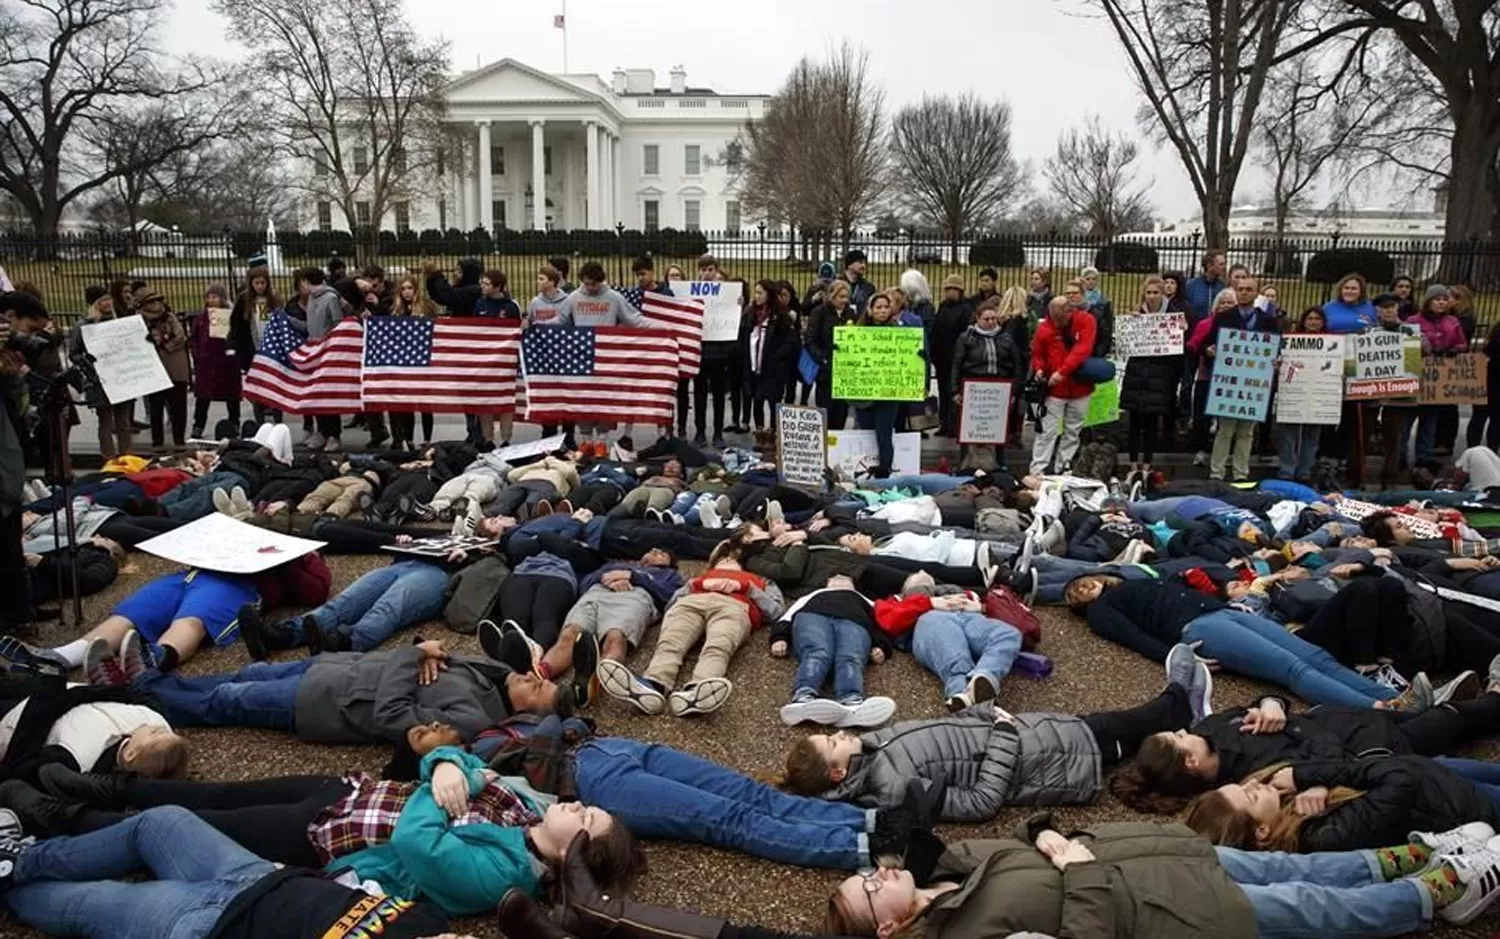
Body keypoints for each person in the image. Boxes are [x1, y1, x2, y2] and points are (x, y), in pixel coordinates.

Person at [826, 816, 1500, 937]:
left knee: (1296, 867)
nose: (879, 875)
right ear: (889, 927)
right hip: (1167, 911)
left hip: (1157, 854)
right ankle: (1441, 890)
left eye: (870, 873)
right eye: (871, 889)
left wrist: (1047, 832)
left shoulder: (950, 860)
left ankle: (1412, 857)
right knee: (1315, 908)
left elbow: (1029, 837)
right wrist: (1082, 872)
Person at [786, 655, 1211, 819]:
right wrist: (1004, 732)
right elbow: (980, 803)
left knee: (1131, 730)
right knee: (1140, 721)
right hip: (1051, 759)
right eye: (834, 742)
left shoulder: (875, 746)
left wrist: (985, 712)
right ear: (840, 772)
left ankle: (1183, 718)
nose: (841, 732)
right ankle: (1183, 703)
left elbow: (950, 734)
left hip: (1039, 736)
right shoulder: (894, 788)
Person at [0, 807, 456, 939]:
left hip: (210, 924)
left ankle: (7, 889)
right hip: (254, 875)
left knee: (87, 903)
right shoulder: (429, 919)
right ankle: (18, 861)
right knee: (160, 821)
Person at [90, 633, 564, 744]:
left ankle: (132, 692)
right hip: (334, 668)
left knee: (226, 702)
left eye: (539, 691)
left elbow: (392, 715)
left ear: (526, 716)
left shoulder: (473, 721)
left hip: (324, 704)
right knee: (241, 675)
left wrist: (413, 656)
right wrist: (430, 650)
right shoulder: (486, 678)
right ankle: (154, 683)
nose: (532, 677)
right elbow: (439, 651)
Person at [1112, 680, 1500, 811]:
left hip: (1346, 718)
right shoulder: (1251, 779)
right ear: (1191, 762)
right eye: (1179, 738)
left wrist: (1270, 705)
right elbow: (1330, 759)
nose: (1183, 730)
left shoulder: (1211, 727)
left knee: (1451, 723)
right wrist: (1311, 776)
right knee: (1450, 723)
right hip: (1373, 748)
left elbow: (1258, 700)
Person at [1067, 573, 1404, 708]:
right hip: (1198, 628)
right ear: (1081, 605)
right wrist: (1180, 656)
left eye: (1084, 582)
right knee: (1291, 667)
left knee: (1315, 655)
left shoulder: (1128, 581)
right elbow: (1133, 638)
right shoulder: (1102, 610)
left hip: (1223, 612)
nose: (1085, 588)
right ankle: (1378, 709)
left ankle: (1394, 698)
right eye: (1077, 593)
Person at [598, 542, 785, 717]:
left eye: (733, 559)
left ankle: (699, 690)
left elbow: (776, 610)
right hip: (691, 602)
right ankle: (653, 685)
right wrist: (695, 585)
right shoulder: (702, 577)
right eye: (722, 558)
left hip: (734, 605)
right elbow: (671, 602)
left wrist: (746, 588)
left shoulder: (760, 580)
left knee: (719, 645)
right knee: (670, 642)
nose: (727, 560)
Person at [1184, 754, 1500, 857]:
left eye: (1243, 785)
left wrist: (1314, 781)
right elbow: (1401, 784)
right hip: (1460, 804)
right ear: (1263, 832)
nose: (1253, 783)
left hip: (1435, 774)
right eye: (1250, 795)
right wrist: (1310, 776)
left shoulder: (1291, 803)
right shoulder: (1324, 834)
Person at [771, 575, 897, 728]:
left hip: (855, 621)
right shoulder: (812, 595)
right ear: (827, 584)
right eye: (835, 577)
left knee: (850, 657)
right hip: (813, 616)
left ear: (853, 586)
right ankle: (803, 697)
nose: (839, 578)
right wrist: (779, 637)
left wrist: (882, 646)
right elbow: (787, 617)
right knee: (817, 652)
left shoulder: (864, 599)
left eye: (845, 578)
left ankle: (851, 700)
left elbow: (881, 623)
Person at [1192, 279, 1281, 481]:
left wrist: (1276, 360)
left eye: (1249, 290)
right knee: (1225, 429)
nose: (1244, 293)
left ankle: (1241, 473)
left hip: (1254, 383)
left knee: (1246, 431)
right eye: (1240, 290)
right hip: (1228, 381)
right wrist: (1209, 350)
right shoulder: (1223, 317)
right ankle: (1217, 472)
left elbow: (1276, 348)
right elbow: (1207, 344)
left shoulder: (1268, 320)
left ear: (1256, 293)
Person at [951, 296, 1025, 472]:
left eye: (994, 319)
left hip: (1000, 388)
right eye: (986, 319)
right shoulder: (966, 338)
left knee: (997, 428)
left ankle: (1000, 463)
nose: (991, 322)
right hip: (973, 388)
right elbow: (956, 364)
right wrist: (955, 391)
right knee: (971, 429)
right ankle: (966, 463)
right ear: (977, 319)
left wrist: (1014, 392)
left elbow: (1016, 365)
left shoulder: (1005, 338)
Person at [1029, 296, 1098, 475]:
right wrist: (1039, 370)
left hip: (1079, 386)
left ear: (1070, 311)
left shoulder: (1086, 320)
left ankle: (1064, 466)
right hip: (1055, 390)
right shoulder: (1044, 328)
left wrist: (1062, 372)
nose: (1058, 324)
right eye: (1055, 319)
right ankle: (1038, 469)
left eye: (1061, 320)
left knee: (1073, 430)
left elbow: (1082, 350)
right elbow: (1038, 354)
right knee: (1047, 431)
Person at [1118, 276, 1181, 472]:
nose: (1152, 296)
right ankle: (1133, 464)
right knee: (1134, 423)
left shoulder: (1173, 316)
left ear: (1163, 294)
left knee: (1152, 424)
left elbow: (1178, 352)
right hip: (1136, 375)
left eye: (1156, 292)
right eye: (1149, 292)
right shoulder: (1137, 315)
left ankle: (1147, 464)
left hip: (1159, 377)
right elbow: (1123, 347)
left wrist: (1181, 331)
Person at [851, 292, 912, 479]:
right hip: (864, 395)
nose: (883, 310)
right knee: (866, 434)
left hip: (888, 394)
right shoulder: (856, 333)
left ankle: (884, 473)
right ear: (870, 310)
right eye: (878, 307)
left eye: (886, 307)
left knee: (884, 436)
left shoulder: (899, 333)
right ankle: (862, 473)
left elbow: (908, 360)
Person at [70, 286, 134, 460]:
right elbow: (73, 353)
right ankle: (109, 457)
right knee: (105, 421)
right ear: (95, 303)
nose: (108, 303)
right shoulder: (83, 325)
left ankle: (127, 455)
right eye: (103, 300)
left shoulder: (117, 322)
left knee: (124, 421)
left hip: (119, 376)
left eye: (109, 299)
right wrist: (88, 362)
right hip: (98, 379)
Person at [1406, 284, 1466, 469]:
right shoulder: (1413, 321)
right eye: (1437, 299)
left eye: (1444, 299)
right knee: (1407, 420)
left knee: (1430, 421)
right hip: (1416, 375)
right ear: (1428, 301)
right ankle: (1400, 457)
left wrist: (1452, 350)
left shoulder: (1453, 322)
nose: (1441, 303)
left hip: (1437, 379)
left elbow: (1463, 344)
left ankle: (1424, 456)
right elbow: (1405, 344)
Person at [287, 267, 344, 451]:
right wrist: (289, 320)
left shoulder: (331, 298)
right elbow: (310, 326)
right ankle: (322, 431)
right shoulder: (311, 298)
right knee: (317, 395)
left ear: (306, 281)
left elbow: (337, 324)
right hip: (314, 351)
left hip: (327, 352)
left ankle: (334, 434)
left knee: (329, 396)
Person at [1276, 306, 1330, 481]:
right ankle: (1287, 470)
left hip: (1319, 392)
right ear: (1303, 321)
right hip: (1294, 391)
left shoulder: (1332, 342)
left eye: (1317, 319)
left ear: (1323, 322)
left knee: (1312, 435)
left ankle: (1304, 472)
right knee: (1289, 434)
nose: (1313, 322)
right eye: (1310, 318)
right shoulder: (1290, 340)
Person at [386, 275, 438, 450]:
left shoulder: (427, 307)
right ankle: (408, 439)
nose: (407, 292)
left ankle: (427, 439)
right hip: (404, 361)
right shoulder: (396, 309)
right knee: (406, 402)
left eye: (410, 288)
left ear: (416, 289)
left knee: (425, 403)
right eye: (403, 289)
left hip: (423, 360)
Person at [740, 279, 797, 434]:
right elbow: (743, 334)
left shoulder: (780, 315)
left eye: (760, 293)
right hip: (754, 365)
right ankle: (759, 431)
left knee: (773, 401)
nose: (756, 296)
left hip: (773, 367)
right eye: (755, 292)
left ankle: (773, 431)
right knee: (757, 400)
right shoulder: (750, 313)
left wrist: (775, 358)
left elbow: (789, 341)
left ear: (769, 295)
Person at [135, 286, 189, 449]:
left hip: (175, 365)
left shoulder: (170, 317)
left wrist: (165, 345)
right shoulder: (138, 320)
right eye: (152, 301)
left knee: (178, 405)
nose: (157, 304)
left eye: (159, 300)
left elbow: (181, 336)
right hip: (153, 369)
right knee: (155, 407)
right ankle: (157, 441)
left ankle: (179, 439)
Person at [189, 284, 242, 439]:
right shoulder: (201, 318)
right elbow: (194, 338)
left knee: (231, 396)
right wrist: (197, 354)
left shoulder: (230, 316)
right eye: (209, 297)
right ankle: (198, 425)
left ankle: (234, 423)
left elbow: (237, 336)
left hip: (226, 363)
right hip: (207, 363)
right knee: (202, 398)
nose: (211, 300)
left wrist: (233, 355)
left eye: (215, 297)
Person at [806, 279, 858, 433]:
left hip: (844, 372)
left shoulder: (851, 313)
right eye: (840, 297)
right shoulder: (819, 312)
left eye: (846, 297)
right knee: (826, 413)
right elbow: (810, 340)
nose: (844, 300)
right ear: (832, 296)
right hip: (826, 372)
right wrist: (823, 359)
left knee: (841, 413)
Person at [931, 275, 972, 435]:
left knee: (953, 391)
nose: (950, 292)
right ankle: (944, 423)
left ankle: (954, 424)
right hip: (942, 358)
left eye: (953, 289)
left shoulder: (966, 309)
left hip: (956, 358)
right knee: (943, 391)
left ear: (960, 291)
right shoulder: (943, 306)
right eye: (947, 289)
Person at [1184, 249, 1228, 323]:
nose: (1224, 267)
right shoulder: (1191, 286)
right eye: (1221, 264)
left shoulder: (1223, 286)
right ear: (1209, 266)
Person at [839, 249, 876, 315]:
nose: (863, 266)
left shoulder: (869, 287)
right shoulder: (836, 285)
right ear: (849, 265)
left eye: (864, 263)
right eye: (860, 262)